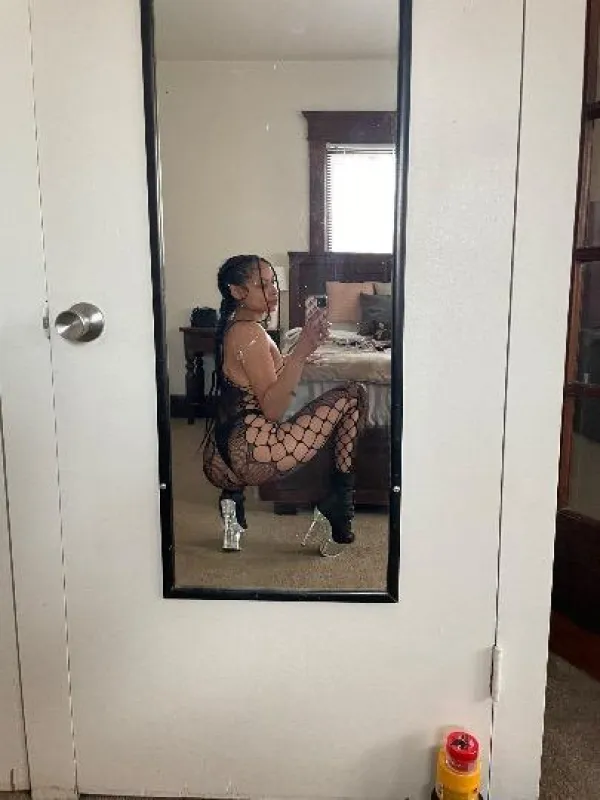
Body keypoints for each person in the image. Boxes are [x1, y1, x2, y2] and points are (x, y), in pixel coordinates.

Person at [202, 254, 367, 556]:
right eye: (263, 285)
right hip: (252, 455)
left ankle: (232, 504)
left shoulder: (236, 327)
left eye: (274, 283)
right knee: (354, 396)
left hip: (221, 458)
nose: (274, 290)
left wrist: (301, 356)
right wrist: (300, 353)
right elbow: (273, 410)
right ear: (237, 291)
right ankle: (338, 506)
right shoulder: (251, 334)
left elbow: (265, 377)